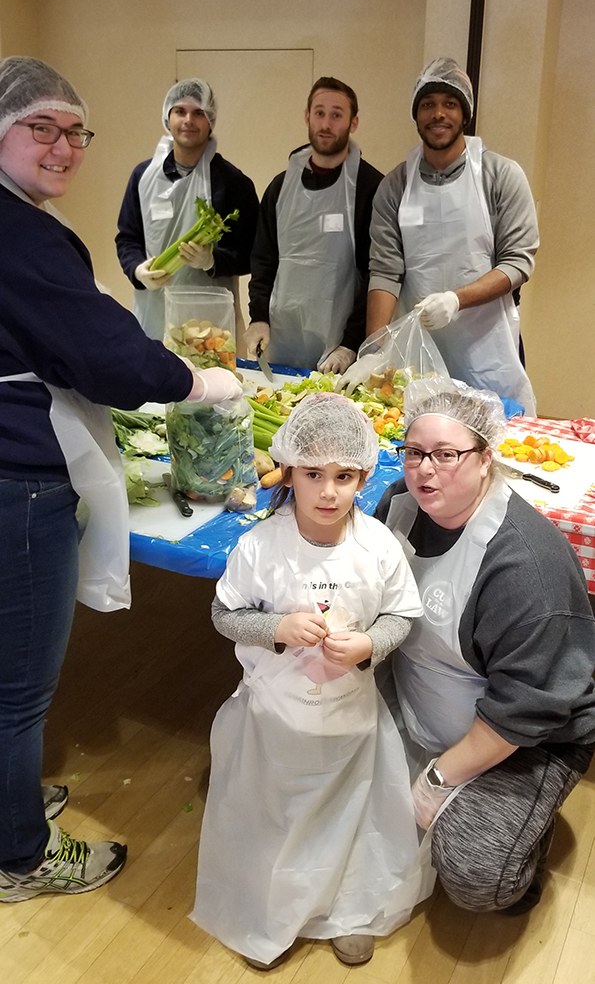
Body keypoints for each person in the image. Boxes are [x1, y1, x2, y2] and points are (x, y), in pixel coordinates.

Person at [0, 56, 242, 903]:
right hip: (19, 479)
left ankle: (7, 806)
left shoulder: (18, 216)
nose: (64, 147)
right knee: (18, 685)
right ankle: (21, 855)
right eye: (42, 127)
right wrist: (194, 380)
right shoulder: (18, 231)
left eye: (75, 131)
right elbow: (103, 353)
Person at [190, 392, 426, 969]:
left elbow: (401, 616)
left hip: (350, 723)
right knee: (275, 819)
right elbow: (225, 616)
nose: (328, 492)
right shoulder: (259, 546)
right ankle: (269, 912)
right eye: (313, 474)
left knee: (349, 818)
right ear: (287, 470)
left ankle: (349, 908)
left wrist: (370, 643)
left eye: (344, 476)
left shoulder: (379, 547)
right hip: (274, 718)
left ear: (365, 475)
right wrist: (277, 626)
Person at [374, 377, 595, 916]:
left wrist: (438, 778)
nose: (425, 469)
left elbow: (527, 706)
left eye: (446, 454)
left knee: (478, 875)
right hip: (422, 697)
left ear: (485, 459)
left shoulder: (523, 568)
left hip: (527, 736)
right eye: (414, 452)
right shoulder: (399, 504)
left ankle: (527, 835)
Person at [364, 58, 539, 414]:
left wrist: (456, 300)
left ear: (465, 113)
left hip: (485, 347)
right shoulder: (394, 186)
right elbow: (384, 270)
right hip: (418, 350)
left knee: (487, 444)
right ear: (416, 116)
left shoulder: (500, 175)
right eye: (427, 104)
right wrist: (373, 350)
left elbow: (518, 261)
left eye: (450, 103)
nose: (438, 114)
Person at [245, 76, 384, 373]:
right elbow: (264, 259)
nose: (326, 123)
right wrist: (258, 317)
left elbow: (376, 273)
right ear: (307, 117)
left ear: (353, 123)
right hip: (281, 342)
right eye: (319, 113)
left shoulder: (371, 188)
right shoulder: (280, 187)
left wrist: (351, 344)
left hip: (338, 351)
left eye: (337, 115)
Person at [116, 78, 259, 340]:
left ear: (210, 121)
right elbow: (128, 237)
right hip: (153, 314)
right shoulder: (143, 177)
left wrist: (213, 260)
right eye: (180, 111)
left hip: (211, 326)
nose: (188, 120)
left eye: (198, 113)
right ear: (167, 118)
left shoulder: (233, 183)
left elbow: (252, 253)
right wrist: (137, 270)